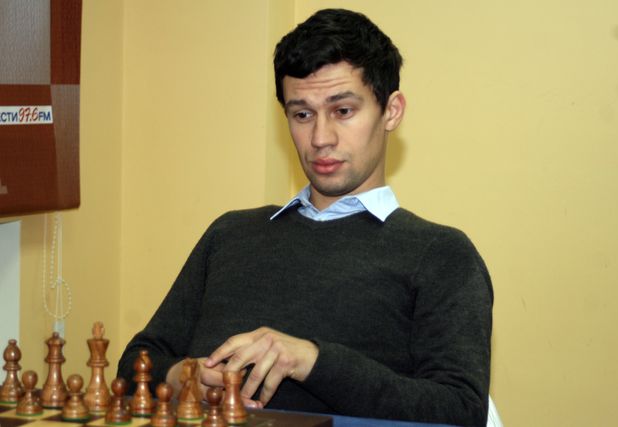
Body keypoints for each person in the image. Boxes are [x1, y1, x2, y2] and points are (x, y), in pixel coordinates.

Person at [117, 8, 493, 427]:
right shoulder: (230, 234)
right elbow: (135, 363)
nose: (320, 138)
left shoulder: (440, 254)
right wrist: (185, 377)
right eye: (302, 115)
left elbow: (460, 410)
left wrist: (313, 361)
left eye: (343, 111)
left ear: (391, 111)